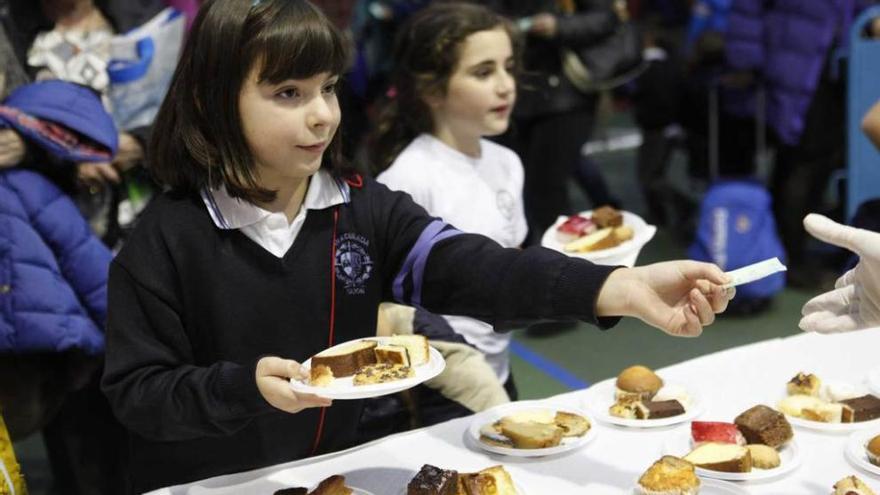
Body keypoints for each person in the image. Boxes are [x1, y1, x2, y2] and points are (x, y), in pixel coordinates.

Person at [100, 0, 733, 491]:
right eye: (288, 94)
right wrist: (243, 388)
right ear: (213, 104)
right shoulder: (166, 238)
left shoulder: (358, 204)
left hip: (331, 477)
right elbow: (138, 394)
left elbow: (476, 269)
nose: (322, 114)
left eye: (328, 87)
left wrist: (614, 287)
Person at [373, 2, 524, 396]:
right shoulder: (408, 179)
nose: (506, 84)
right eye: (483, 72)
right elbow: (392, 307)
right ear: (432, 90)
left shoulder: (507, 162)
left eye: (508, 67)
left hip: (499, 371)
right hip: (438, 386)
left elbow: (508, 251)